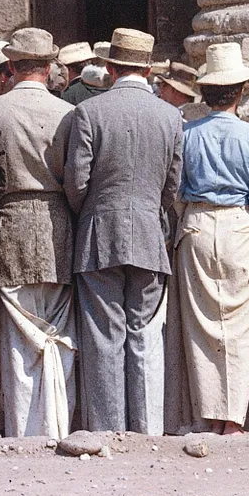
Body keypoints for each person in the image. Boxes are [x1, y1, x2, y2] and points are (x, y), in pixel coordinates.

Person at [63, 28, 182, 434]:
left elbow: (76, 182)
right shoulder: (169, 115)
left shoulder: (90, 112)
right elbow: (172, 184)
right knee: (145, 333)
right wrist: (151, 212)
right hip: (150, 231)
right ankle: (147, 427)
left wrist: (94, 211)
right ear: (148, 69)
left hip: (99, 232)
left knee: (102, 335)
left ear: (110, 67)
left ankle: (107, 427)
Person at [0, 27, 76, 437]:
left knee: (18, 337)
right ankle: (59, 425)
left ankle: (22, 428)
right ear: (49, 68)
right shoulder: (67, 114)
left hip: (10, 224)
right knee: (59, 330)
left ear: (11, 66)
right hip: (58, 226)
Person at [172, 43, 249, 432]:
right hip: (239, 226)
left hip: (197, 224)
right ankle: (233, 417)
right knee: (240, 326)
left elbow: (176, 190)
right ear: (242, 88)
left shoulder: (186, 134)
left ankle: (208, 413)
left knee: (200, 324)